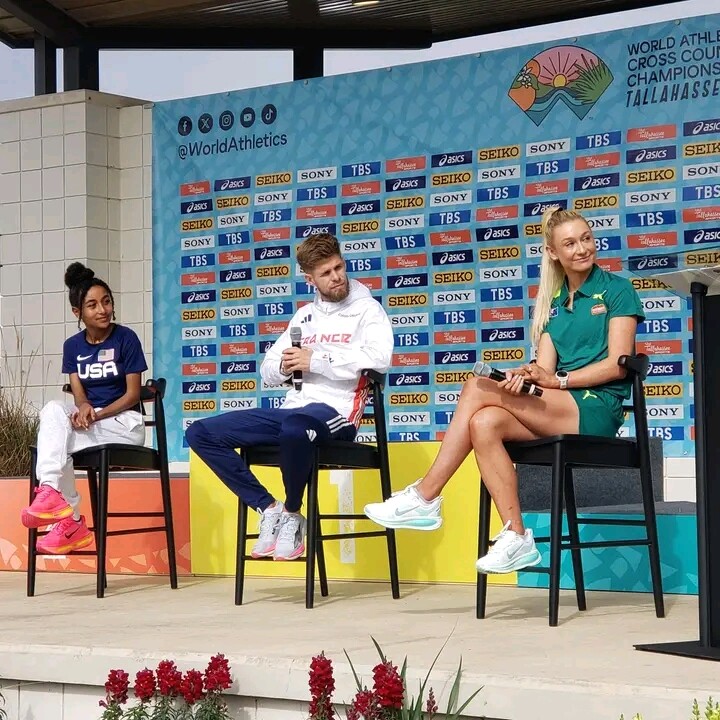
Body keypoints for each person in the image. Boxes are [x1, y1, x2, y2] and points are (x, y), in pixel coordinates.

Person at [364, 206, 644, 574]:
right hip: (560, 406)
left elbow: (616, 364)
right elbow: (543, 371)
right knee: (484, 423)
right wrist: (523, 376)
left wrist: (558, 381)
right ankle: (516, 536)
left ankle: (426, 495)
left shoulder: (617, 289)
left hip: (597, 409)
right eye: (570, 244)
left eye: (586, 239)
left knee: (476, 387)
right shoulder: (553, 305)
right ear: (552, 252)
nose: (582, 249)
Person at [185, 232, 394, 561]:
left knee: (296, 428)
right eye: (326, 273)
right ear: (310, 279)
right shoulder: (304, 317)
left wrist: (317, 360)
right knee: (200, 432)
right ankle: (269, 507)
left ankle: (294, 514)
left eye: (339, 267)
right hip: (292, 411)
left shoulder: (368, 310)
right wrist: (286, 366)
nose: (337, 277)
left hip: (335, 414)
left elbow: (379, 359)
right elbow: (266, 370)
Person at [21, 262, 148, 554]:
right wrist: (84, 406)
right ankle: (53, 494)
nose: (103, 310)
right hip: (93, 426)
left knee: (57, 442)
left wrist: (97, 414)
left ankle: (70, 519)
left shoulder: (126, 338)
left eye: (107, 301)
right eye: (92, 305)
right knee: (54, 410)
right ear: (77, 312)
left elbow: (132, 395)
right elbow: (78, 395)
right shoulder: (73, 347)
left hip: (125, 425)